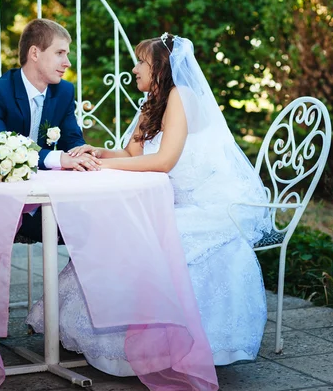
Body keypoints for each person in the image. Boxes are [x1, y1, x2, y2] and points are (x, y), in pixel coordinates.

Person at [26, 33, 271, 374]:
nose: (135, 67)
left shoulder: (181, 97)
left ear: (161, 68)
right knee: (116, 234)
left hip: (206, 206)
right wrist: (97, 152)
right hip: (168, 201)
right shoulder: (152, 102)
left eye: (142, 61)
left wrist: (103, 165)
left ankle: (164, 346)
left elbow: (164, 161)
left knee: (143, 242)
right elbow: (132, 155)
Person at [0, 18, 100, 241]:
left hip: (43, 199)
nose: (67, 62)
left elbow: (72, 138)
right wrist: (59, 158)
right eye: (60, 53)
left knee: (94, 223)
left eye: (67, 54)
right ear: (35, 53)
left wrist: (82, 155)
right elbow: (0, 149)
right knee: (82, 227)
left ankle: (70, 277)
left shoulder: (64, 91)